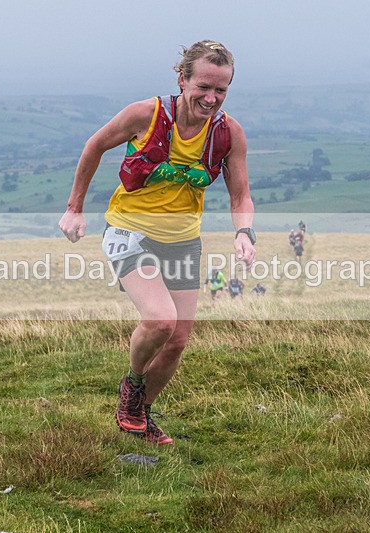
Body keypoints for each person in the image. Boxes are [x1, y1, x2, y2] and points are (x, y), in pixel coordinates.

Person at [58, 40, 255, 445]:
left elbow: (241, 196)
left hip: (183, 240)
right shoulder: (144, 115)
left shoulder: (229, 133)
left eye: (221, 90)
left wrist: (243, 233)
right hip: (130, 232)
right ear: (182, 79)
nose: (211, 98)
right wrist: (75, 207)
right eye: (203, 87)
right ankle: (132, 386)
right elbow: (95, 146)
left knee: (177, 340)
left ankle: (139, 415)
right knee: (161, 320)